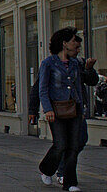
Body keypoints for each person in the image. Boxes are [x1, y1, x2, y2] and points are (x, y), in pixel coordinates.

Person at [38, 27, 97, 191]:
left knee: (74, 145)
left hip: (75, 109)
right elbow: (42, 89)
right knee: (61, 144)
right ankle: (46, 169)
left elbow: (91, 81)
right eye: (74, 43)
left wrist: (89, 68)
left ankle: (70, 183)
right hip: (56, 110)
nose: (77, 47)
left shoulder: (77, 63)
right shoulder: (48, 63)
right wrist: (47, 109)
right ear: (64, 44)